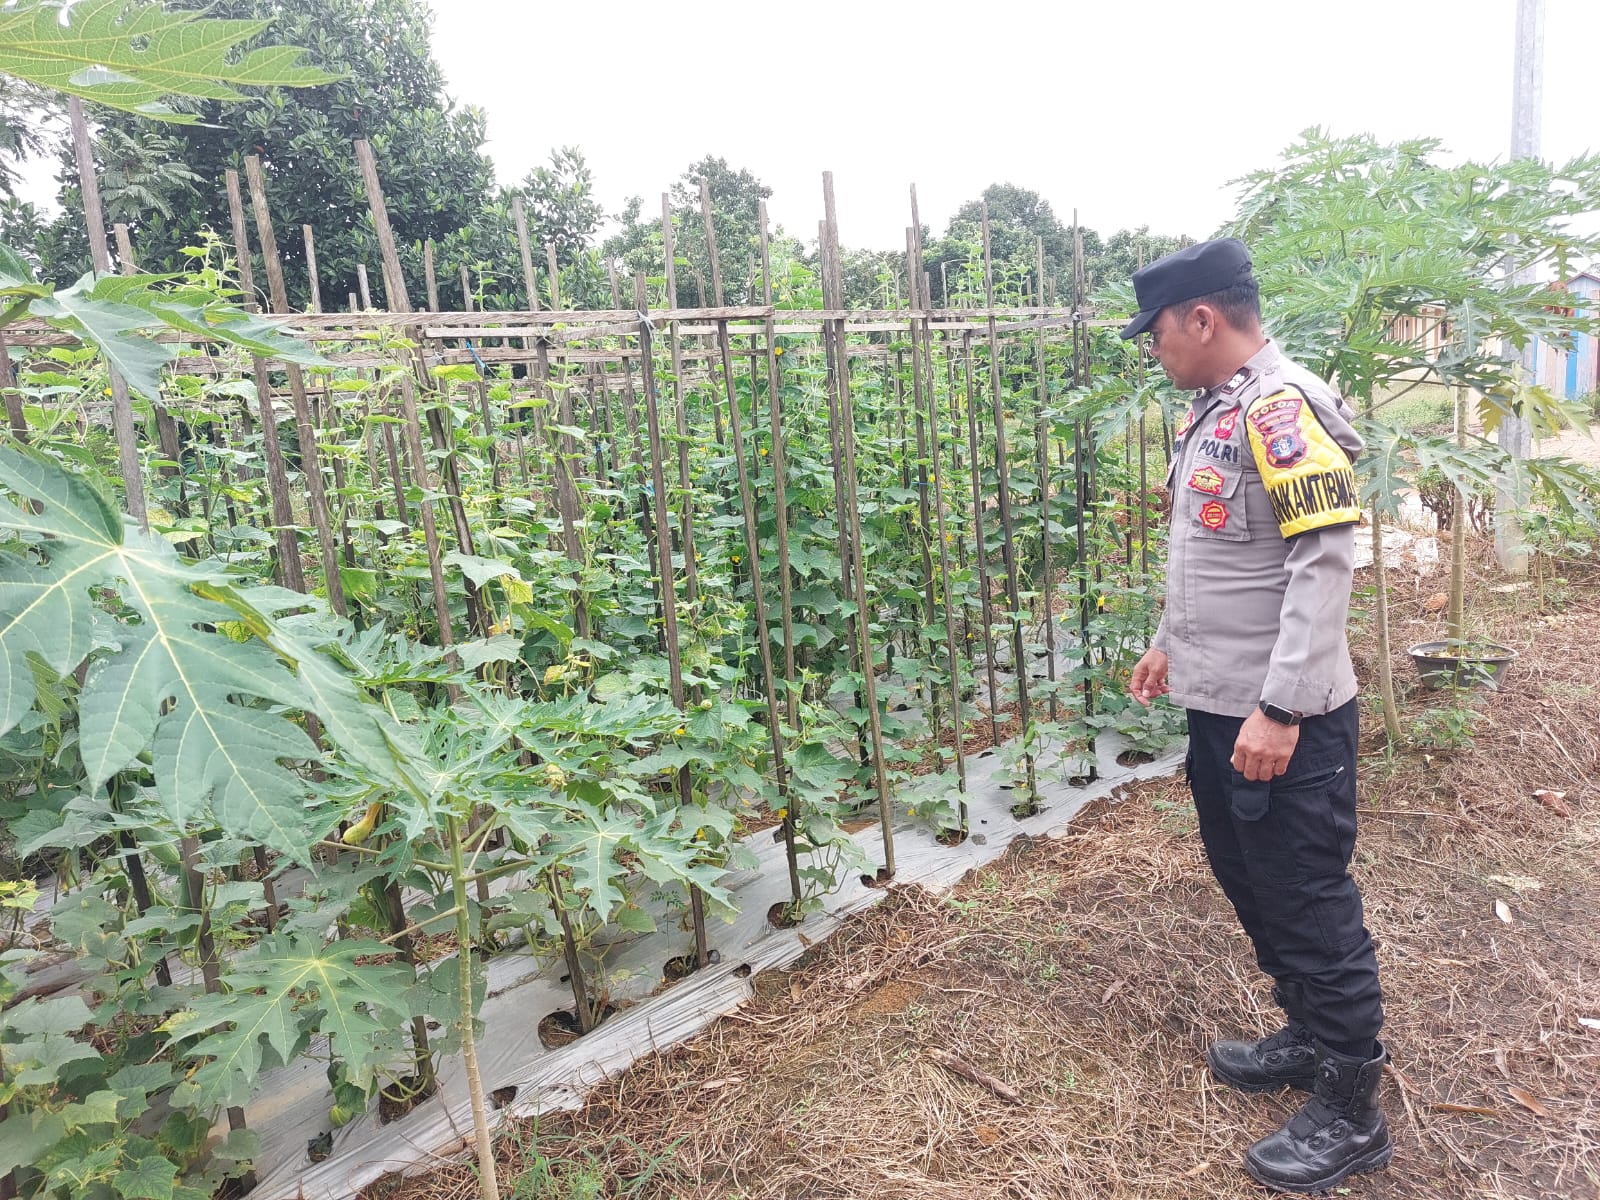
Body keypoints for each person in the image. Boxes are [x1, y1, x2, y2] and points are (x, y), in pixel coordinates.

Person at [1124, 238, 1391, 1193]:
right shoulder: (1215, 411)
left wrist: (1281, 708)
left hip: (1282, 717)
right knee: (1251, 878)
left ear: (1201, 318)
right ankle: (1312, 1035)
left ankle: (1354, 1106)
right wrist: (1168, 640)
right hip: (1220, 704)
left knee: (1309, 897)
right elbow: (1211, 554)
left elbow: (1324, 561)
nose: (1155, 352)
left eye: (1157, 333)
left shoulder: (1281, 409)